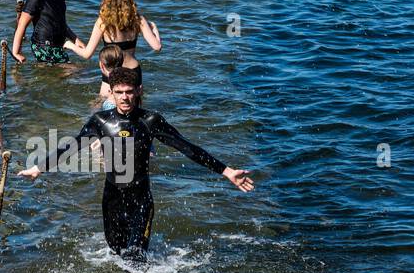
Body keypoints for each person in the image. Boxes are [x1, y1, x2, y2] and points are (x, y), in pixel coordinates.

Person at [18, 68, 254, 258]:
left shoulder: (150, 121)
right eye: (119, 92)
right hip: (111, 199)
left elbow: (187, 148)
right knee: (115, 253)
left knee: (136, 257)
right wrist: (39, 168)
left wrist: (226, 171)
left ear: (139, 91)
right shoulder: (100, 121)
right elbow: (73, 146)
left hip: (141, 198)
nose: (124, 98)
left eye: (129, 91)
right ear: (110, 93)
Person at [76, 0, 163, 99]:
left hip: (112, 72)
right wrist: (155, 29)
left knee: (100, 105)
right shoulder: (138, 19)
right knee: (134, 107)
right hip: (133, 71)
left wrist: (70, 45)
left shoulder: (103, 22)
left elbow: (87, 54)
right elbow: (157, 47)